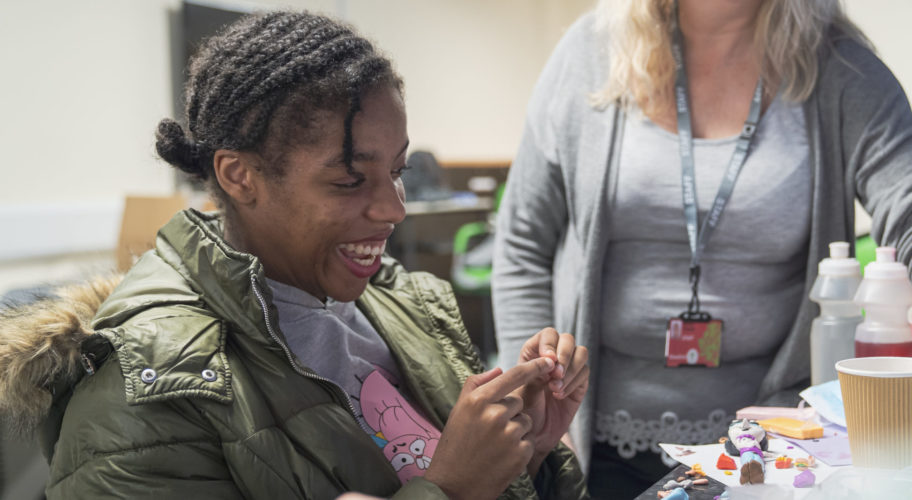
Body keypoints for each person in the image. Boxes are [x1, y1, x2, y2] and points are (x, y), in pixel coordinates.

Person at [0, 12, 589, 500]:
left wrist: (523, 455)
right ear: (241, 176)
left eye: (398, 172)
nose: (393, 209)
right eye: (351, 180)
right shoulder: (147, 389)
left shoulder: (402, 306)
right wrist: (451, 489)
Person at [491, 0, 912, 496]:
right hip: (592, 442)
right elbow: (522, 245)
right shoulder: (590, 52)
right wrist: (541, 411)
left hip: (768, 449)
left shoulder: (837, 64)